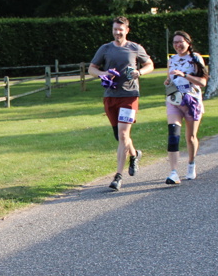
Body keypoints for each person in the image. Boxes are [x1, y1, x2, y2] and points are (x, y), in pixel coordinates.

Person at [88, 16, 155, 189]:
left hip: (129, 96)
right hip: (111, 96)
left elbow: (150, 64)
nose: (117, 32)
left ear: (127, 30)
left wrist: (140, 72)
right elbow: (91, 68)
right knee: (119, 136)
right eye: (115, 29)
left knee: (124, 135)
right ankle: (134, 154)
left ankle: (118, 176)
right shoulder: (105, 48)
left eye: (120, 29)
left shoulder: (135, 48)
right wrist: (103, 74)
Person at [162, 31, 208, 184]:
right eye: (175, 42)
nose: (177, 45)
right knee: (173, 134)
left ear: (188, 42)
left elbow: (203, 82)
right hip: (174, 100)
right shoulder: (171, 60)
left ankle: (191, 164)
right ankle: (173, 172)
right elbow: (170, 78)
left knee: (191, 137)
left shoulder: (195, 59)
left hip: (192, 101)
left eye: (180, 42)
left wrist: (184, 75)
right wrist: (168, 82)